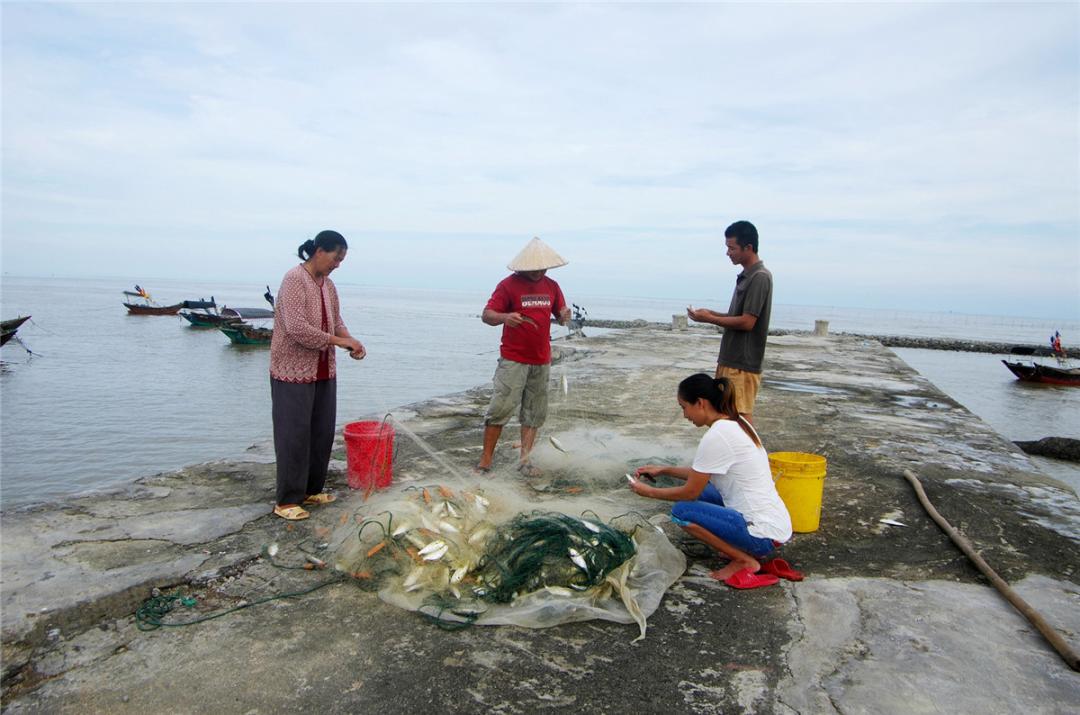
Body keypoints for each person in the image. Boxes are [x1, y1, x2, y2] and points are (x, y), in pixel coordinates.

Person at [629, 373, 794, 589]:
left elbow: (690, 492)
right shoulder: (736, 421)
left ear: (700, 403)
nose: (684, 415)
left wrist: (648, 492)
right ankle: (742, 549)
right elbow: (703, 473)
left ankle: (745, 560)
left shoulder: (717, 436)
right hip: (776, 525)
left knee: (682, 512)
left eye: (684, 407)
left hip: (761, 533)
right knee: (708, 490)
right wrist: (664, 469)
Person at [269, 230, 366, 520]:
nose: (338, 264)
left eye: (342, 260)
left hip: (324, 368)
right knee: (293, 433)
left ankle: (311, 490)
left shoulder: (328, 285)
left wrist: (352, 340)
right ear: (319, 251)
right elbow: (296, 328)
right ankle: (286, 500)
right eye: (336, 258)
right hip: (292, 370)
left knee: (321, 431)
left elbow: (336, 321)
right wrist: (339, 341)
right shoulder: (294, 280)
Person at [477, 237, 572, 474]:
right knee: (500, 409)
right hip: (513, 359)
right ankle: (485, 462)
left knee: (534, 412)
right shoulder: (507, 285)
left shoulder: (552, 286)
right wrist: (504, 317)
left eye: (543, 267)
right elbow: (487, 315)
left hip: (541, 360)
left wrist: (563, 316)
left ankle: (525, 461)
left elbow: (560, 316)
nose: (539, 272)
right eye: (534, 268)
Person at [687, 220, 772, 422]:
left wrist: (710, 319)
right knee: (726, 412)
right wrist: (710, 314)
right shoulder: (746, 275)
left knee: (739, 415)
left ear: (748, 247)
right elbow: (737, 315)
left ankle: (750, 453)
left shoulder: (759, 277)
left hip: (742, 363)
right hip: (730, 359)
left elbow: (747, 322)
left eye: (731, 248)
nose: (728, 253)